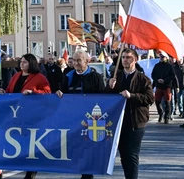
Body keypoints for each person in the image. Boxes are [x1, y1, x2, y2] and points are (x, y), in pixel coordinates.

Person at [105, 48, 154, 179]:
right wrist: (109, 86)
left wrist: (131, 95)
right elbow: (106, 97)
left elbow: (149, 98)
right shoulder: (116, 76)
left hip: (136, 122)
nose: (125, 60)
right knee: (124, 155)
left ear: (135, 60)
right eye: (124, 57)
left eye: (128, 57)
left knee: (132, 155)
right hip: (119, 122)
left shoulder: (143, 79)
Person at [57, 50, 104, 179]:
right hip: (74, 118)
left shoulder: (96, 77)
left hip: (90, 120)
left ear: (87, 61)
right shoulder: (68, 76)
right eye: (74, 60)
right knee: (76, 146)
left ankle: (87, 174)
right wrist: (59, 93)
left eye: (79, 60)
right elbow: (63, 92)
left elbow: (103, 97)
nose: (76, 63)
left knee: (88, 146)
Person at [5, 54, 51, 179]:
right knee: (20, 142)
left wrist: (33, 92)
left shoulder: (39, 77)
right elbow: (9, 91)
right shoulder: (16, 76)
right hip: (16, 114)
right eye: (21, 62)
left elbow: (47, 93)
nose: (22, 64)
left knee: (31, 143)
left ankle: (31, 171)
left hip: (32, 115)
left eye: (25, 62)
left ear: (31, 63)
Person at [150, 52, 175, 124]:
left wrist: (165, 80)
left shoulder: (169, 66)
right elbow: (153, 75)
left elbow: (172, 76)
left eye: (163, 57)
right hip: (158, 86)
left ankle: (166, 117)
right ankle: (160, 113)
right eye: (160, 57)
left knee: (167, 102)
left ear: (166, 58)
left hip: (167, 86)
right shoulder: (157, 66)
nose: (161, 58)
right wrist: (157, 80)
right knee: (157, 102)